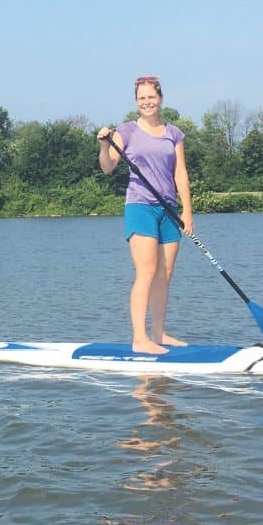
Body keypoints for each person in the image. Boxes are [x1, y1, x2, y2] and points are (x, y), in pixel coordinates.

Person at [97, 75, 194, 354]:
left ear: (160, 98)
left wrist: (187, 210)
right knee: (147, 272)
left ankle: (158, 333)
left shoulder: (173, 133)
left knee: (166, 274)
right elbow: (107, 167)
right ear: (136, 101)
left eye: (151, 97)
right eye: (142, 98)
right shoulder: (125, 131)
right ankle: (140, 339)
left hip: (168, 209)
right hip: (140, 206)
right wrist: (104, 146)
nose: (147, 102)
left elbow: (180, 173)